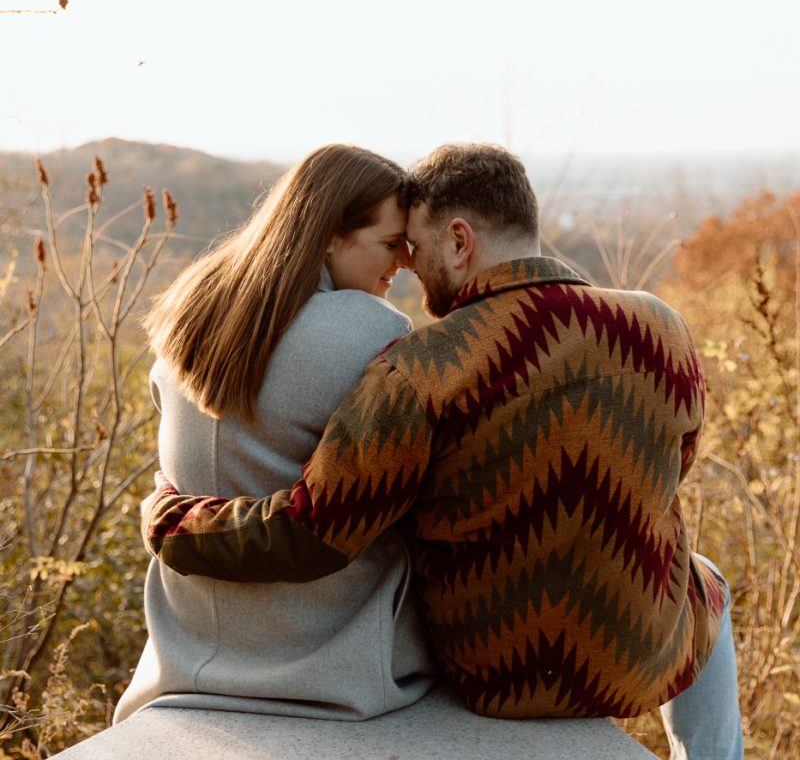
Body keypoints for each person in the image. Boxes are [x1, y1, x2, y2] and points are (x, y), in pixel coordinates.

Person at [141, 143, 744, 758]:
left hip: (494, 669)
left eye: (418, 249)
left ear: (459, 241)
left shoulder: (423, 368)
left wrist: (175, 521)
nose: (408, 269)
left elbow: (320, 528)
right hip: (642, 655)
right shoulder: (661, 328)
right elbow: (674, 467)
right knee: (708, 581)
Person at [114, 144, 439, 724]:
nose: (405, 263)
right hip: (325, 662)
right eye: (391, 244)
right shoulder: (370, 330)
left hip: (186, 657)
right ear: (330, 236)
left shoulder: (192, 305)